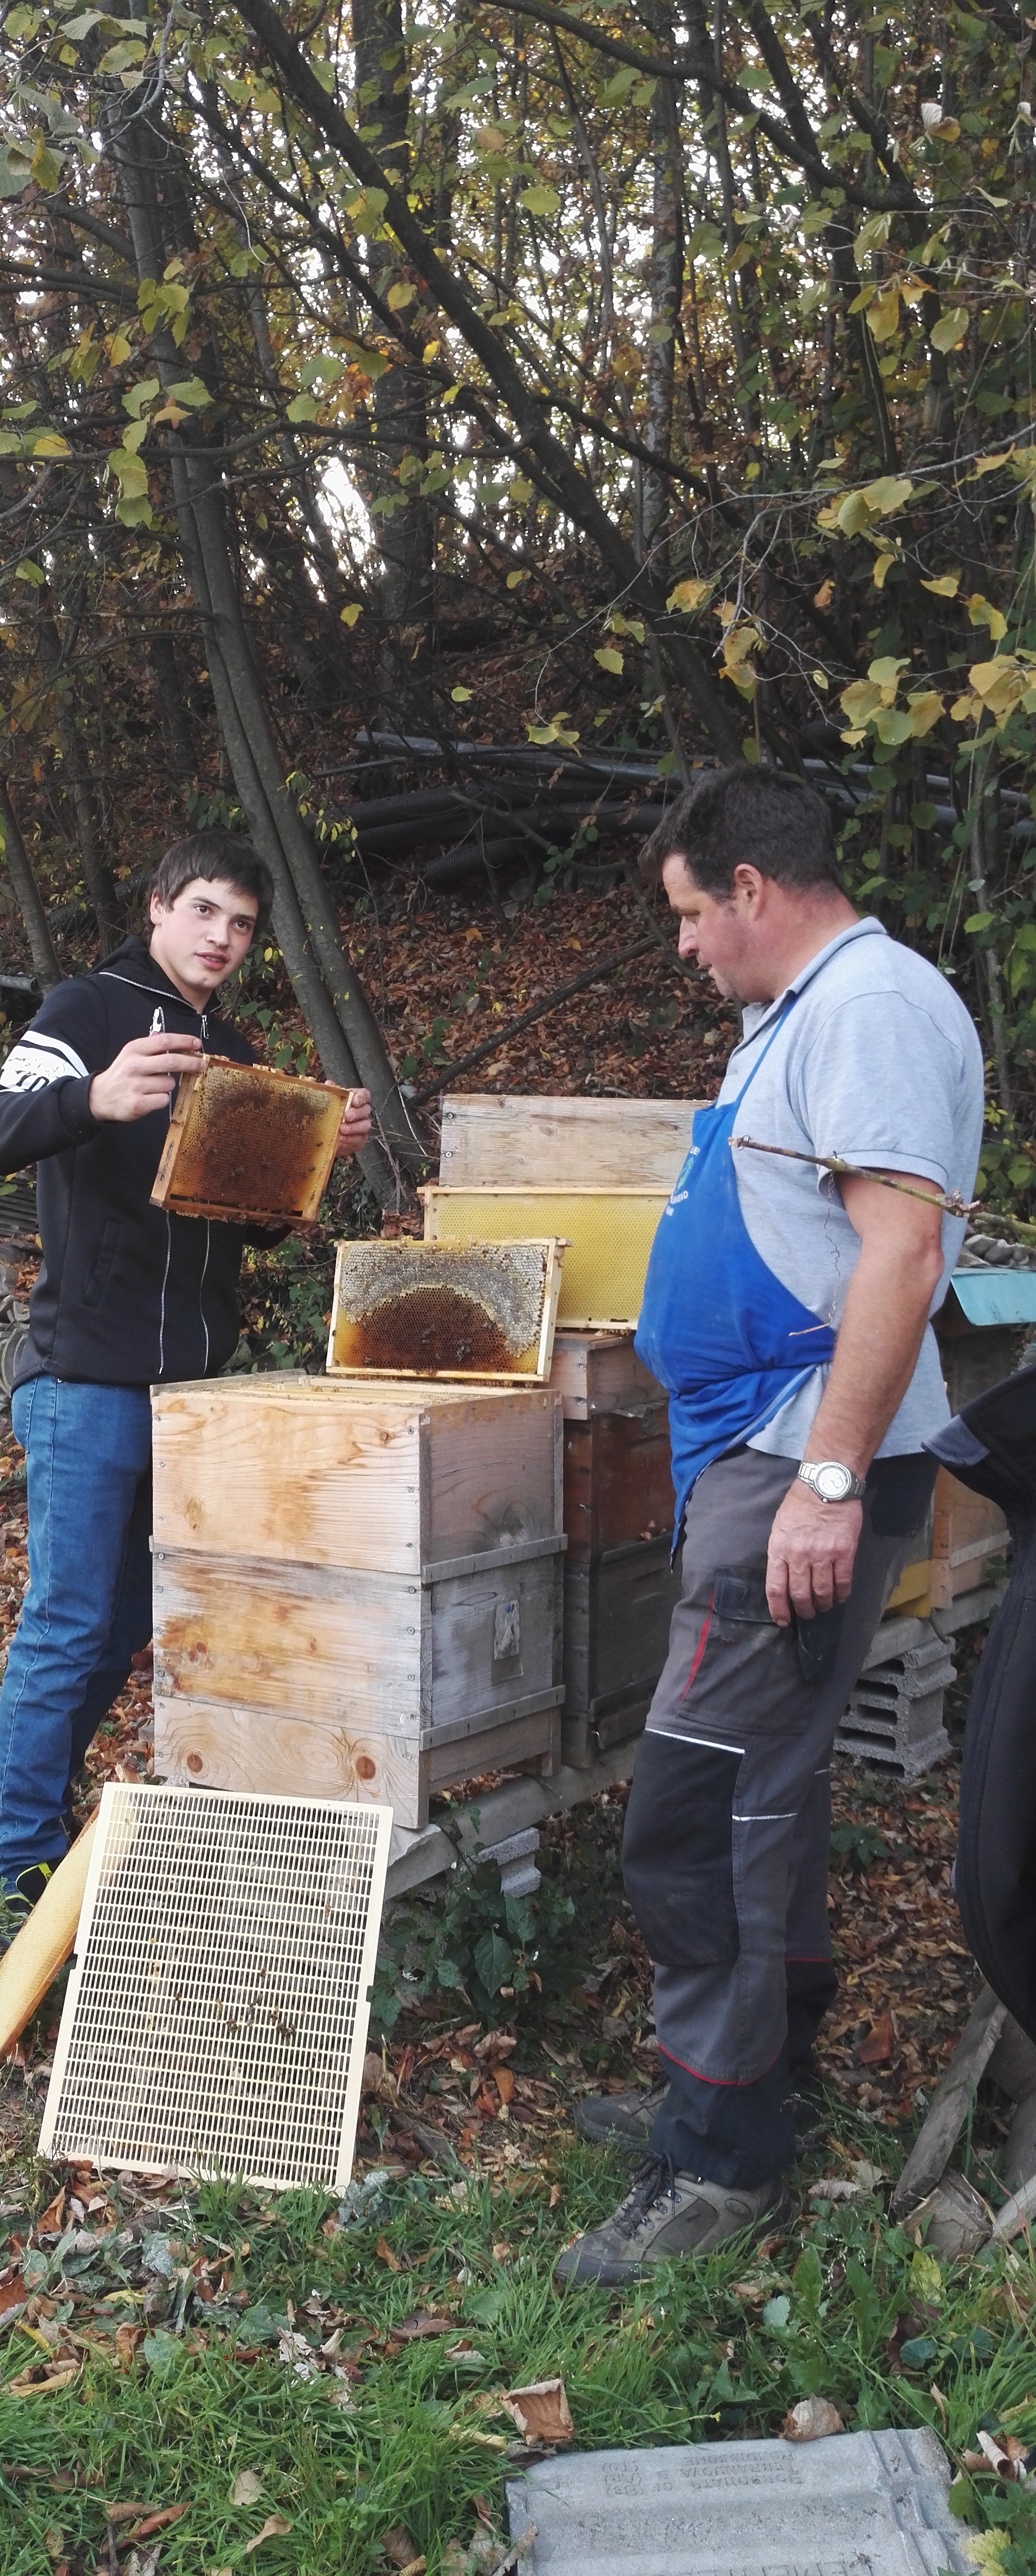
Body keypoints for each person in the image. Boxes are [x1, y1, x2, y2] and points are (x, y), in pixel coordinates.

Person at [557, 768, 984, 2284]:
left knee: (694, 1808)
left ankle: (717, 2159)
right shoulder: (800, 1015)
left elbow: (904, 1249)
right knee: (762, 1794)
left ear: (750, 887)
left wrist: (826, 1479)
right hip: (761, 1452)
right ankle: (750, 2072)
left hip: (799, 1467)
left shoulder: (866, 1007)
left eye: (687, 913)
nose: (682, 948)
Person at [0, 829, 373, 1948]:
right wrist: (94, 1095)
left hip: (191, 1392)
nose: (222, 937)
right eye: (203, 912)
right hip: (84, 1375)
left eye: (240, 923)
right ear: (157, 908)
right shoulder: (84, 1010)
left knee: (130, 1620)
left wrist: (309, 1160)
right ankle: (6, 1874)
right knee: (67, 1621)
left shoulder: (232, 1047)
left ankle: (25, 1811)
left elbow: (246, 1228)